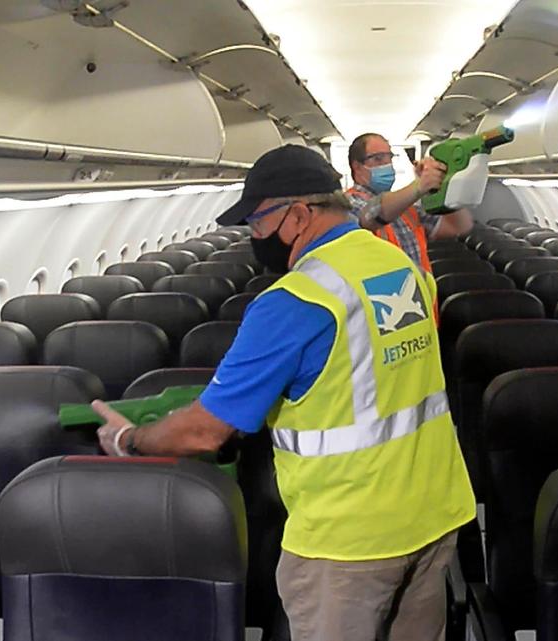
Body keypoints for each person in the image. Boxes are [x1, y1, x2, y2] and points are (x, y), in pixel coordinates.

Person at [92, 144, 475, 641]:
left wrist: (130, 441)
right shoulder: (400, 264)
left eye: (257, 223)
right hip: (435, 511)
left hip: (348, 539)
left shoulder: (296, 300)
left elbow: (206, 432)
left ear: (298, 215)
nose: (256, 237)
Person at [347, 133, 475, 272]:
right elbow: (373, 213)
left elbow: (460, 226)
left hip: (420, 291)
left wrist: (445, 184)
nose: (387, 165)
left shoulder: (407, 209)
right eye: (378, 159)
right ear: (357, 167)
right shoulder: (347, 204)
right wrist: (419, 186)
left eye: (389, 157)